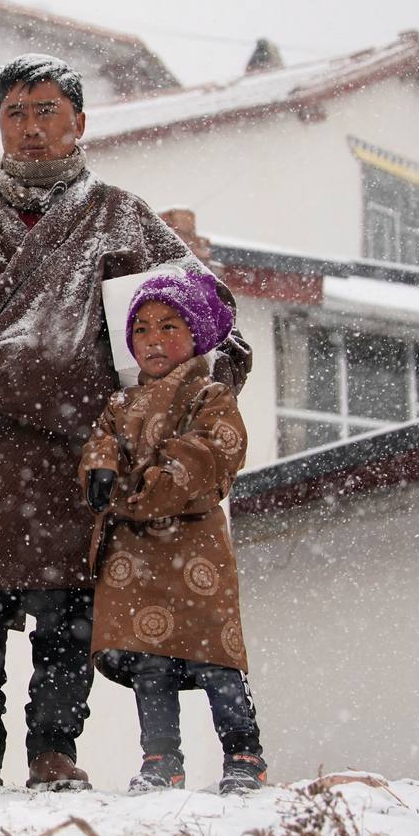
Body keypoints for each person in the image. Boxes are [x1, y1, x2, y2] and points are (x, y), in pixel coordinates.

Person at [0, 53, 252, 791]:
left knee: (66, 611)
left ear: (78, 122)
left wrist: (170, 403)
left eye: (46, 111)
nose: (31, 128)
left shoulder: (121, 216)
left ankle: (52, 751)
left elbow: (210, 322)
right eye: (15, 112)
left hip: (82, 449)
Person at [81, 269, 266, 794]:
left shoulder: (210, 395)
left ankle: (244, 755)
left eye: (168, 326)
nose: (153, 339)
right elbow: (102, 443)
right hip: (134, 555)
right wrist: (100, 471)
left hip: (193, 546)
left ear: (197, 334)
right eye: (141, 329)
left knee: (215, 657)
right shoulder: (119, 403)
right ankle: (161, 759)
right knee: (148, 659)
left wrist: (159, 485)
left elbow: (215, 450)